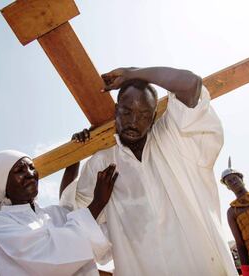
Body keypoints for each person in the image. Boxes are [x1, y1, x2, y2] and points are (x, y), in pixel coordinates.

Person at [60, 67, 237, 275]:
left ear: (154, 117)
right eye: (126, 112)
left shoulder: (173, 137)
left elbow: (192, 85)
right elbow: (70, 212)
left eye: (143, 115)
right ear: (116, 110)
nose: (133, 121)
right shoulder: (102, 163)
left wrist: (134, 73)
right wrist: (75, 156)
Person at [0, 150, 118, 276]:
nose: (30, 174)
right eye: (20, 170)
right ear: (1, 183)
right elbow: (52, 260)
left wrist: (76, 153)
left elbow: (98, 230)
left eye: (32, 167)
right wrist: (98, 202)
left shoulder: (54, 213)